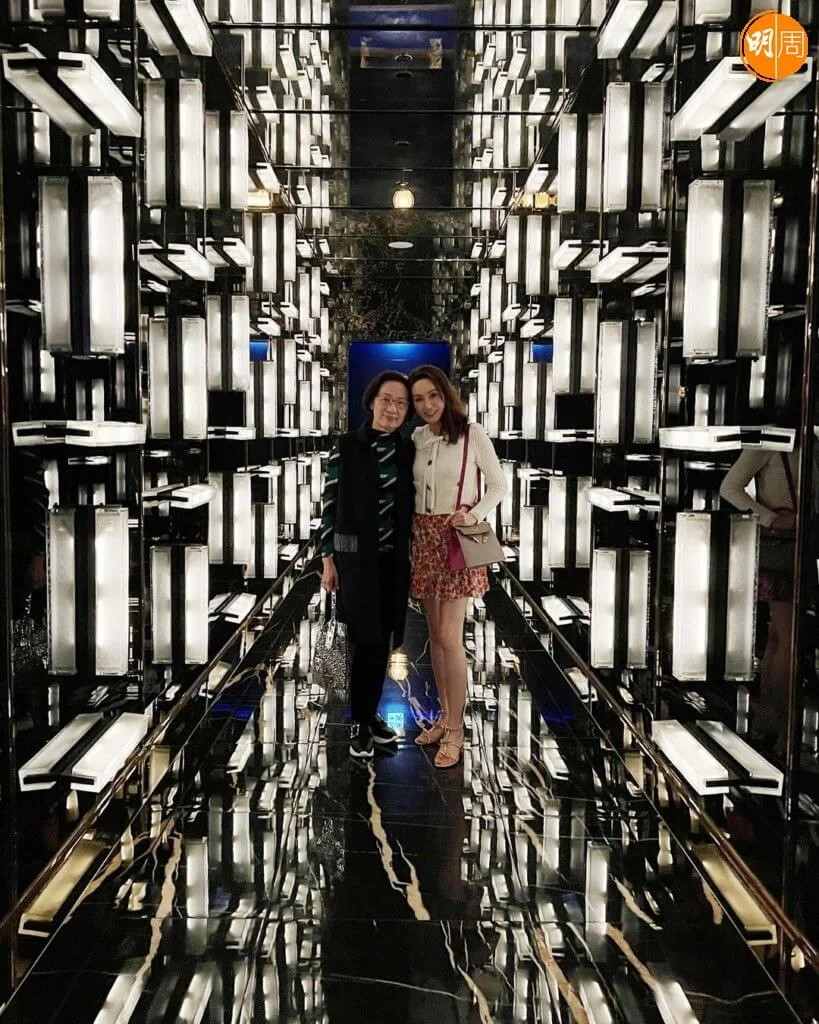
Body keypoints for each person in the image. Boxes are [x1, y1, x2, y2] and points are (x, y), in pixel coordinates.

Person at [408, 365, 506, 769]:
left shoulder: (471, 433)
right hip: (422, 537)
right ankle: (444, 716)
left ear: (446, 394)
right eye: (419, 399)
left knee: (450, 636)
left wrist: (474, 514)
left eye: (433, 395)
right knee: (435, 635)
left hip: (454, 536)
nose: (427, 405)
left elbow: (498, 485)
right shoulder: (418, 438)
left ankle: (456, 729)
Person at [319, 371, 415, 761]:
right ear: (372, 400)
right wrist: (327, 559)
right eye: (387, 399)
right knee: (365, 641)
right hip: (355, 561)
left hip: (393, 561)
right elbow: (329, 503)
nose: (393, 408)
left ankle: (368, 713)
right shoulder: (347, 446)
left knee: (384, 640)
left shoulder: (408, 450)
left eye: (401, 403)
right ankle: (359, 723)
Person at [720, 448, 799, 747]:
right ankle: (778, 718)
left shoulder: (806, 442)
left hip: (788, 543)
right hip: (783, 544)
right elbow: (730, 488)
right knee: (788, 637)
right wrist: (771, 519)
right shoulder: (769, 443)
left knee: (779, 634)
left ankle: (770, 717)